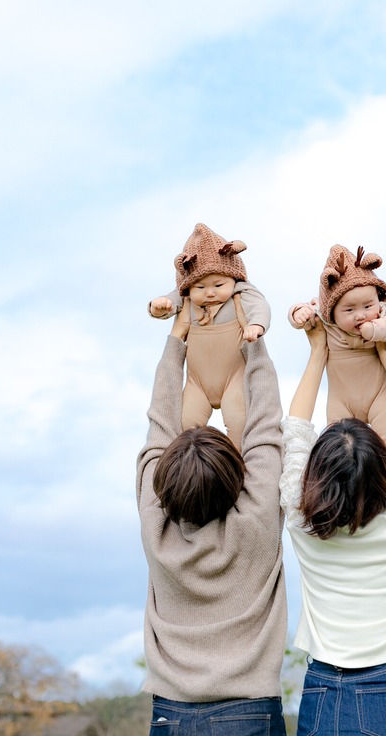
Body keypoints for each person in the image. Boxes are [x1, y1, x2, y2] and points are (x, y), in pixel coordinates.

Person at [279, 320, 386, 736]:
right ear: (384, 469)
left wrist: (317, 354)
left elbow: (294, 433)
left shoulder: (300, 520)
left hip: (321, 688)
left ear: (315, 474)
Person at [136, 304, 288, 735]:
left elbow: (158, 425)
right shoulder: (257, 518)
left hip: (170, 714)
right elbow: (265, 427)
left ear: (161, 480)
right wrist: (254, 349)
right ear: (238, 475)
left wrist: (177, 341)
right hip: (249, 710)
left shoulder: (155, 527)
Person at [148, 222, 271, 449]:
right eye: (200, 288)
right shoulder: (186, 300)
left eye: (218, 284)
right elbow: (170, 302)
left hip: (233, 378)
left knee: (240, 423)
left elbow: (260, 306)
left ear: (234, 277)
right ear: (188, 287)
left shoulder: (240, 293)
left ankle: (237, 464)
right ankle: (191, 465)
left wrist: (256, 326)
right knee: (185, 425)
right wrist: (159, 306)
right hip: (197, 383)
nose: (210, 292)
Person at [288, 244, 386, 456]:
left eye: (367, 306)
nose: (360, 315)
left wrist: (376, 329)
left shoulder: (382, 314)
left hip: (378, 393)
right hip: (341, 399)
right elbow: (303, 310)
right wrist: (300, 314)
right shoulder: (326, 320)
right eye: (350, 310)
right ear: (331, 310)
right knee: (338, 441)